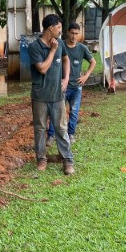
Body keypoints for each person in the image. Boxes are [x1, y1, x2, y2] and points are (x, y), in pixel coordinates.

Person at [28, 14, 75, 175]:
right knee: (40, 129)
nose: (60, 31)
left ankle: (67, 161)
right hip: (40, 96)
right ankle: (41, 159)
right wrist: (52, 51)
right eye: (59, 28)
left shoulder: (60, 43)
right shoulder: (34, 47)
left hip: (57, 96)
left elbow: (66, 60)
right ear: (51, 28)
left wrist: (66, 78)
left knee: (61, 129)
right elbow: (42, 68)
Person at [46, 22, 96, 145]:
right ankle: (51, 135)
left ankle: (71, 133)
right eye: (72, 33)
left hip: (76, 87)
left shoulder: (81, 48)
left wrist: (86, 76)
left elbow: (93, 62)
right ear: (68, 32)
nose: (74, 36)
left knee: (74, 111)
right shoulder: (60, 45)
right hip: (62, 85)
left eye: (76, 34)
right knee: (56, 110)